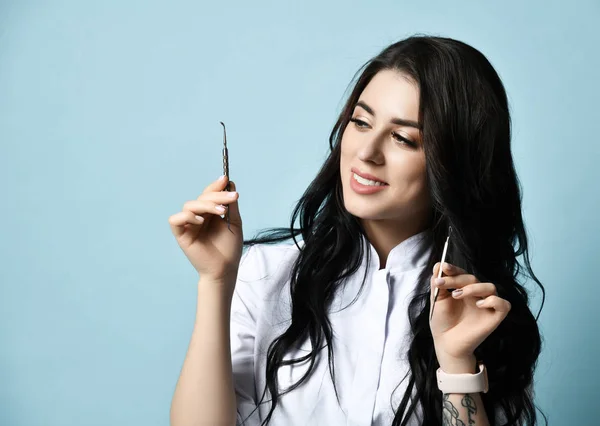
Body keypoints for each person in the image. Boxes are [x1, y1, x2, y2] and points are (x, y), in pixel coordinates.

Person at [168, 35, 546, 426]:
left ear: (456, 165)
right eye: (361, 122)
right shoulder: (266, 273)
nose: (367, 153)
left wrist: (456, 363)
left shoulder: (481, 312)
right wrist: (215, 280)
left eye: (403, 138)